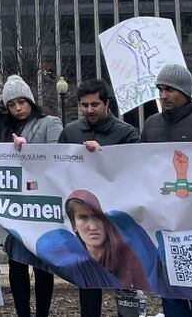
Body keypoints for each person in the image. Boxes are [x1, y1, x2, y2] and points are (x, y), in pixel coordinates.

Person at [0, 74, 62, 317]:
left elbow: (57, 156)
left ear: (31, 101)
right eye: (11, 105)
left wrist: (30, 148)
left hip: (42, 202)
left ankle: (42, 313)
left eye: (21, 102)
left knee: (43, 264)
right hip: (15, 202)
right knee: (17, 261)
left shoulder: (49, 122)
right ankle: (23, 312)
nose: (17, 108)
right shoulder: (5, 125)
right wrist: (7, 93)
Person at [56, 78, 143, 317]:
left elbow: (136, 171)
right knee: (88, 280)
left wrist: (103, 155)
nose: (89, 110)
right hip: (85, 221)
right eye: (84, 105)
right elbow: (57, 169)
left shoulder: (126, 133)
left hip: (119, 219)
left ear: (106, 103)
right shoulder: (70, 131)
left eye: (94, 104)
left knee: (126, 279)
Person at [142, 64, 192, 317]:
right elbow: (137, 166)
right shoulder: (152, 123)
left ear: (185, 91)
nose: (163, 95)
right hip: (163, 223)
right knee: (169, 287)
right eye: (160, 89)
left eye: (170, 90)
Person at [63, 190, 149, 290]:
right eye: (83, 218)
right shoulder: (74, 257)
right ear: (74, 225)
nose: (92, 227)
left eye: (97, 217)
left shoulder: (125, 255)